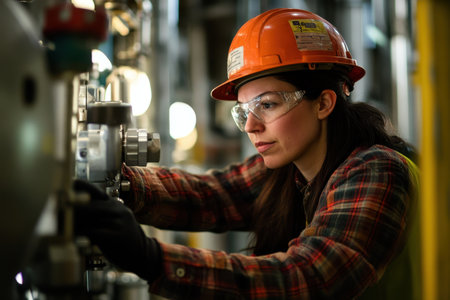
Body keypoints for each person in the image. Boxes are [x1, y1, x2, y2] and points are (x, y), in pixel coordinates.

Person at [75, 8, 419, 299]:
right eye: (243, 112)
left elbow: (309, 278)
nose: (252, 125)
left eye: (267, 105)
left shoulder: (378, 171)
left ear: (324, 102)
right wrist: (119, 185)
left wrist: (151, 258)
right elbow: (211, 196)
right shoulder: (290, 172)